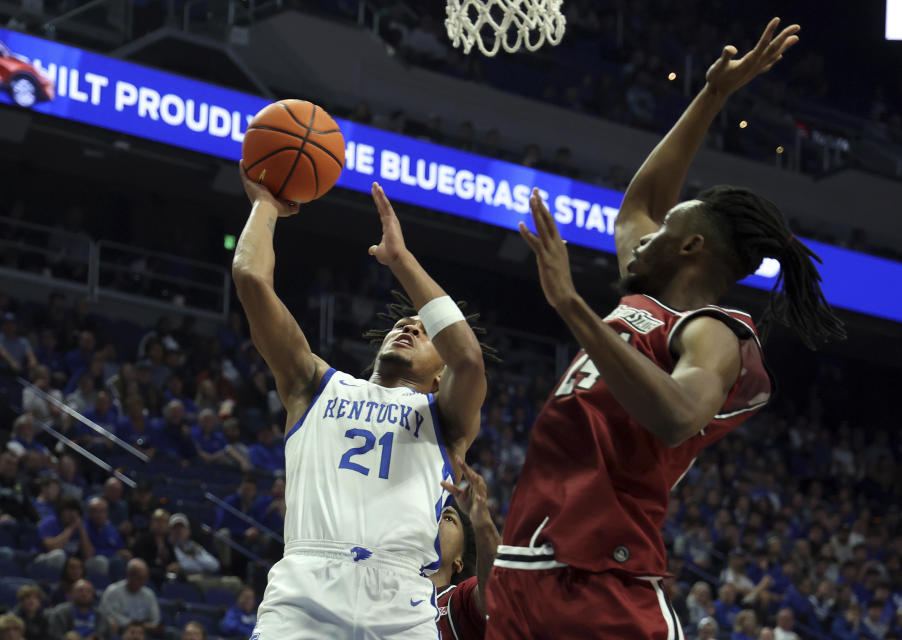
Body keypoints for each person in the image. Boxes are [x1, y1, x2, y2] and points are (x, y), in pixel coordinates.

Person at [486, 18, 845, 639]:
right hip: (525, 564)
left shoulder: (716, 331)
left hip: (605, 579)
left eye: (664, 231)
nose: (642, 233)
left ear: (692, 249)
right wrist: (712, 96)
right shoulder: (644, 295)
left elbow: (679, 413)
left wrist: (572, 306)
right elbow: (637, 206)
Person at [233, 169, 488, 639]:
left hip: (401, 604)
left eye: (426, 329)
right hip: (305, 592)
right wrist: (265, 205)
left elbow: (470, 358)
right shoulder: (313, 384)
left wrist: (402, 260)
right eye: (404, 323)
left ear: (440, 374)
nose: (410, 327)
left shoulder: (445, 418)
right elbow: (250, 279)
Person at [431, 456, 500, 640]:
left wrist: (482, 522)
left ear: (459, 562)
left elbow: (497, 591)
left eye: (448, 518)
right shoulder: (381, 586)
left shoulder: (458, 601)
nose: (437, 519)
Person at [99, 558, 162, 637]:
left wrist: (145, 626)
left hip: (143, 631)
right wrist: (131, 624)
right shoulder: (112, 591)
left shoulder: (149, 594)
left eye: (145, 578)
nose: (142, 582)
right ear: (129, 575)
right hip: (120, 629)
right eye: (139, 578)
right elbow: (106, 615)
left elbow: (156, 619)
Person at [46, 579, 110, 640]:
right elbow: (54, 635)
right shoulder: (60, 613)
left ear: (93, 594)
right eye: (80, 590)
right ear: (72, 593)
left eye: (88, 591)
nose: (84, 594)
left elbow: (106, 636)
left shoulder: (101, 616)